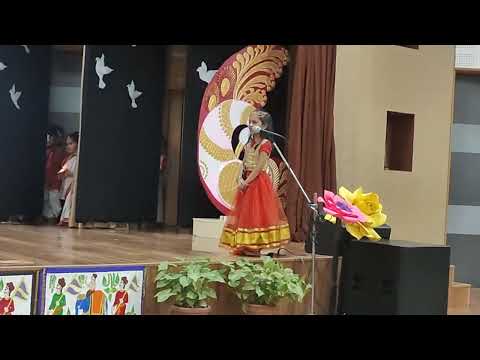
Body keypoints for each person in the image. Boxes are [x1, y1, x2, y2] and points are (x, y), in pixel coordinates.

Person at [219, 110, 290, 256]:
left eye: (255, 122)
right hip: (246, 179)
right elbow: (244, 162)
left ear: (264, 126)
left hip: (257, 182)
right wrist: (239, 177)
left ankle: (255, 246)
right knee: (245, 214)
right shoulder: (250, 142)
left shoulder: (266, 144)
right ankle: (245, 244)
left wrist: (247, 181)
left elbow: (259, 168)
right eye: (250, 122)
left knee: (256, 214)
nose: (251, 125)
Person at [43, 126, 66, 224]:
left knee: (54, 200)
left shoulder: (60, 152)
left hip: (56, 181)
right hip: (47, 180)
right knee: (46, 200)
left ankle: (57, 218)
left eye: (51, 137)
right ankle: (49, 218)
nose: (49, 140)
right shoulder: (48, 151)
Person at [58, 132, 79, 226]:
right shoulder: (69, 158)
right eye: (67, 144)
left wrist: (70, 174)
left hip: (73, 186)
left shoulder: (78, 158)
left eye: (71, 143)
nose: (68, 146)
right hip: (66, 185)